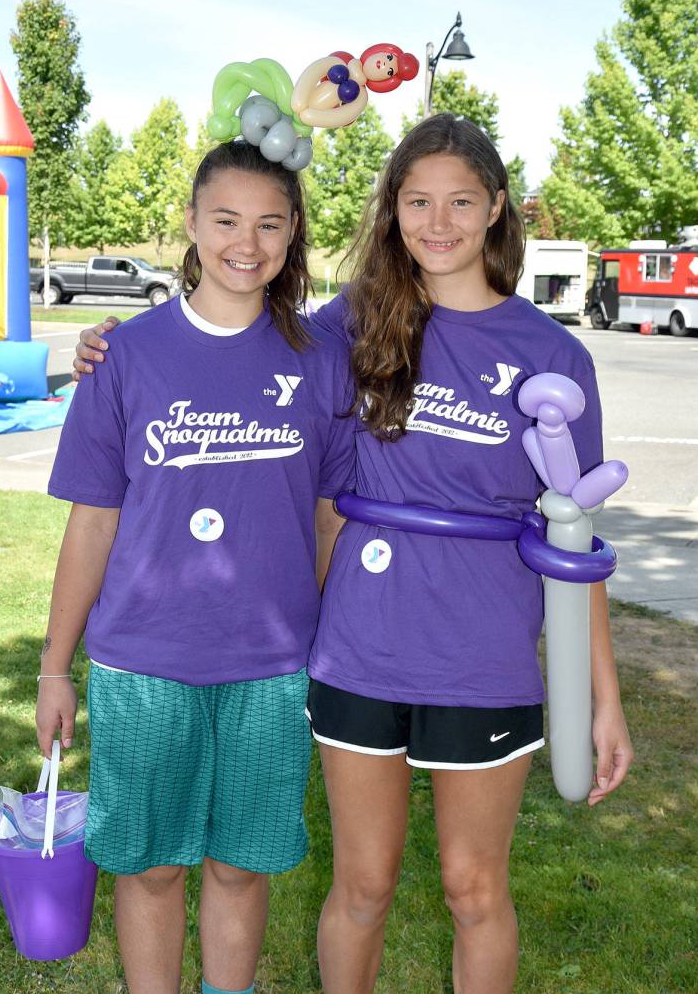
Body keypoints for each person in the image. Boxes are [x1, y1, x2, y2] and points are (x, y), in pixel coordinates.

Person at [75, 114, 633, 994]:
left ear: (495, 207)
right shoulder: (349, 327)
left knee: (473, 886)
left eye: (458, 200)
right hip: (357, 645)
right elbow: (232, 336)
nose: (436, 221)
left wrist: (602, 697)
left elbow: (575, 534)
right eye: (416, 200)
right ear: (392, 211)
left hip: (482, 650)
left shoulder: (550, 355)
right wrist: (105, 348)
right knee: (363, 884)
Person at [37, 140, 354, 994]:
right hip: (144, 662)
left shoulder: (319, 359)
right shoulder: (126, 355)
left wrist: (320, 645)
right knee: (147, 868)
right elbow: (93, 522)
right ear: (190, 222)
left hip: (271, 666)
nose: (244, 243)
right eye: (224, 220)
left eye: (268, 225)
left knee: (239, 866)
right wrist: (55, 668)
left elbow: (329, 519)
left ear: (292, 238)